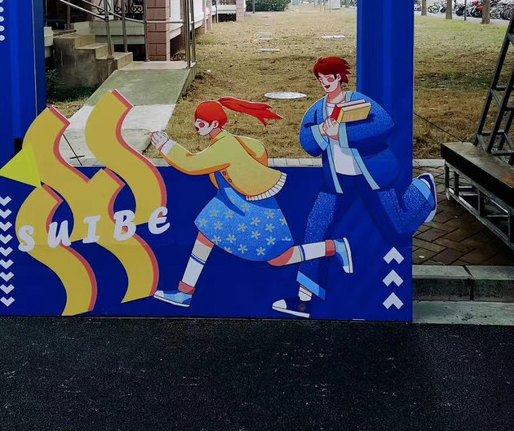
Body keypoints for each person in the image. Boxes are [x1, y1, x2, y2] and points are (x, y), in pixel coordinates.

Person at [272, 57, 436, 319]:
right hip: (337, 180)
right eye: (320, 79)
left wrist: (341, 133)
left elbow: (384, 124)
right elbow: (307, 142)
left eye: (329, 77)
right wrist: (322, 132)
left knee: (397, 229)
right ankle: (304, 300)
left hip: (371, 174)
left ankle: (423, 193)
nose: (325, 83)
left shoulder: (358, 100)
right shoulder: (317, 110)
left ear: (339, 77)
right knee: (315, 227)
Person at [151, 97, 352, 309]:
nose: (196, 126)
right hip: (231, 201)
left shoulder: (224, 146)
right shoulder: (226, 140)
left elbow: (192, 164)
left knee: (280, 257)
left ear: (214, 124)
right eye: (196, 121)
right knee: (205, 235)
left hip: (253, 206)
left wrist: (166, 145)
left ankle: (333, 247)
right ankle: (185, 292)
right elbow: (258, 150)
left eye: (200, 123)